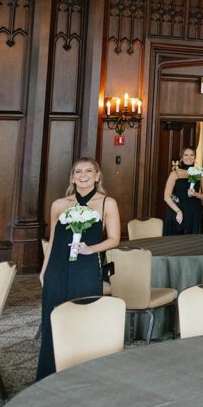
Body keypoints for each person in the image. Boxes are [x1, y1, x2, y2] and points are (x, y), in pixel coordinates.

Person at [37, 157, 120, 380]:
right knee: (54, 318)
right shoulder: (59, 205)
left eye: (89, 171)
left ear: (97, 176)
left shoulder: (107, 203)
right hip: (57, 269)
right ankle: (49, 375)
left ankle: (84, 375)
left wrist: (90, 249)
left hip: (86, 269)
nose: (83, 175)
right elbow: (53, 241)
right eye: (78, 171)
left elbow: (114, 239)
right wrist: (44, 271)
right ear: (72, 178)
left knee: (83, 317)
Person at [163, 147, 203, 236]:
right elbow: (166, 197)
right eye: (186, 155)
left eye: (192, 155)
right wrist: (178, 211)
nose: (189, 157)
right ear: (182, 157)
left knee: (193, 241)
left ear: (195, 157)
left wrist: (196, 194)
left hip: (194, 211)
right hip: (177, 210)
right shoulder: (175, 173)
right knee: (175, 240)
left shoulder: (200, 173)